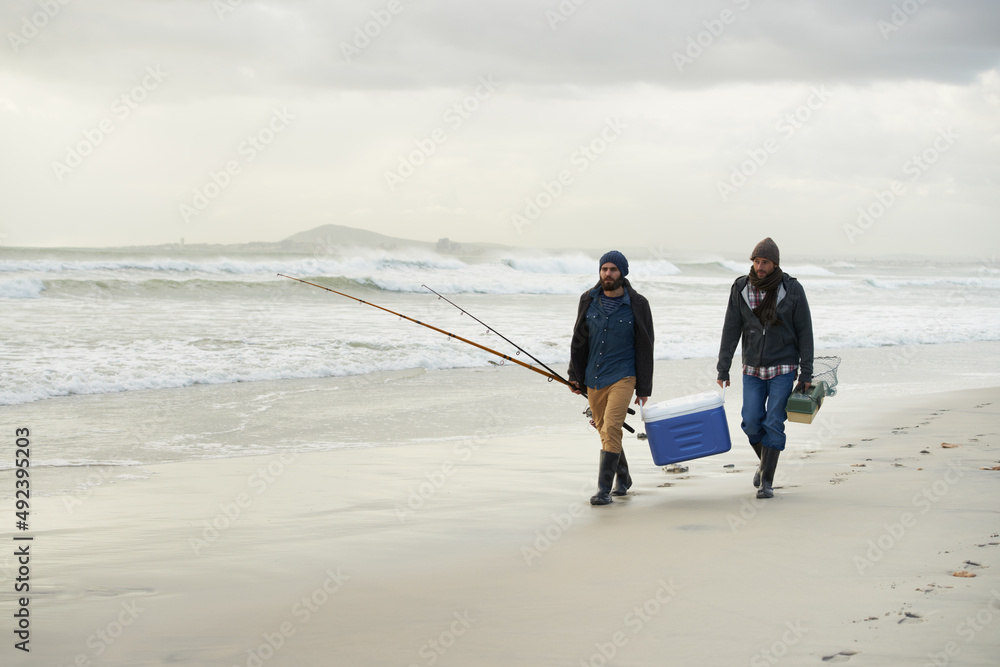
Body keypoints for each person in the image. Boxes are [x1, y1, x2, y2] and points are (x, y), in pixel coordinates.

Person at [717, 237, 814, 499]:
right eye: (757, 261)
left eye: (765, 262)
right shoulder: (740, 288)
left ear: (775, 264)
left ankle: (767, 481)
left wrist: (806, 373)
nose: (760, 266)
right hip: (752, 368)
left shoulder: (791, 290)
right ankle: (765, 464)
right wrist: (722, 369)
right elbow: (730, 330)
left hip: (783, 367)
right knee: (750, 422)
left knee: (773, 422)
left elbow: (805, 332)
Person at [569, 251, 654, 506]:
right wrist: (575, 375)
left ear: (623, 273)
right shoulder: (588, 300)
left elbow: (646, 346)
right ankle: (624, 477)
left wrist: (644, 386)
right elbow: (579, 340)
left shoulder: (638, 304)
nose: (608, 273)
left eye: (613, 269)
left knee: (612, 426)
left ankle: (603, 490)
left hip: (624, 375)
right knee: (604, 430)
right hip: (594, 376)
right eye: (604, 269)